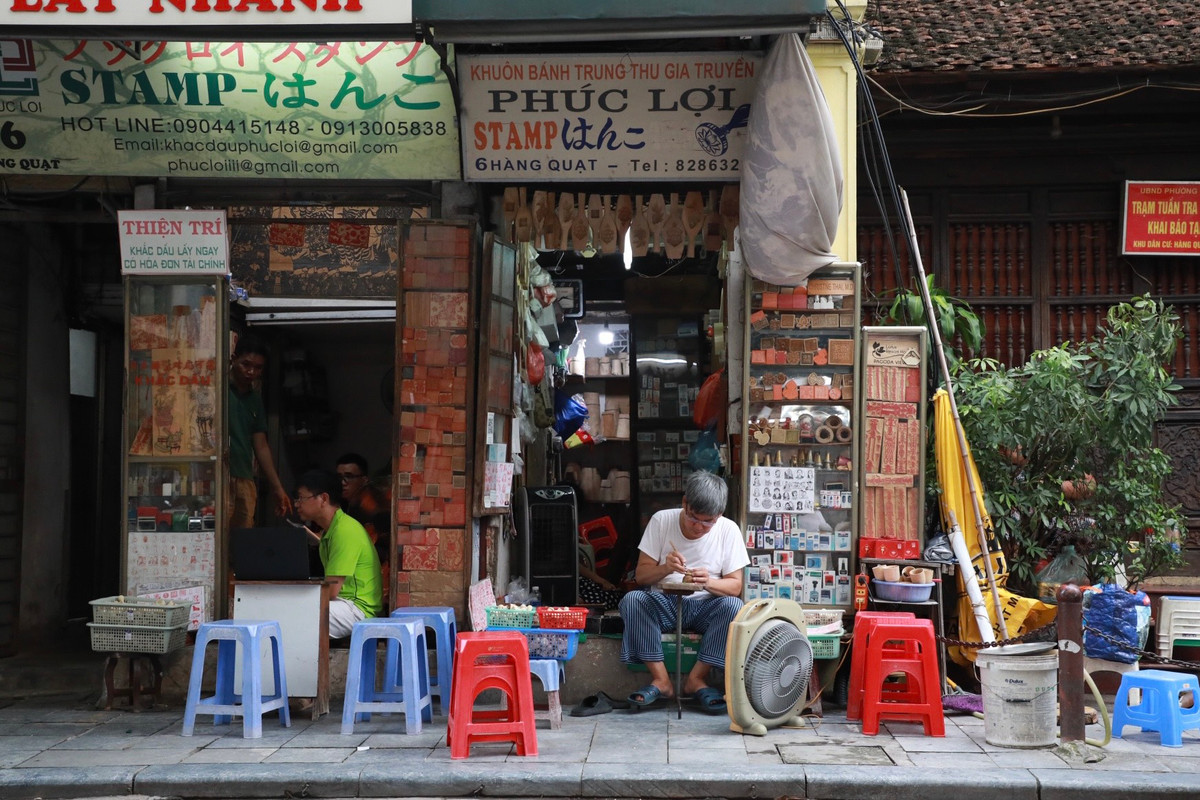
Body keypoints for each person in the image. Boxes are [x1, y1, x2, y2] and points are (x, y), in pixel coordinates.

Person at [620, 471, 749, 714]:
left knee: (733, 607)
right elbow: (641, 576)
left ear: (719, 516)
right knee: (633, 600)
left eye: (708, 521)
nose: (699, 527)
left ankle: (696, 679)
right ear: (684, 504)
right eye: (693, 518)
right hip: (665, 603)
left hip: (706, 607)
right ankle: (661, 681)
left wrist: (709, 582)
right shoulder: (661, 521)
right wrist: (665, 568)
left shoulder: (728, 530)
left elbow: (735, 585)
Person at [293, 469, 383, 639]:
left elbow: (331, 591)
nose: (297, 504)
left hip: (358, 608)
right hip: (342, 604)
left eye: (301, 498)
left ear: (323, 499)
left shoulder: (344, 530)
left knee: (298, 615)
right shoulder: (330, 531)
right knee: (290, 612)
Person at [228, 333, 291, 529]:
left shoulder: (254, 399)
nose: (251, 372)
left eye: (258, 367)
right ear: (233, 359)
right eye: (246, 364)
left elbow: (261, 444)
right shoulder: (218, 390)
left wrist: (277, 487)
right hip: (219, 475)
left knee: (243, 539)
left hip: (244, 476)